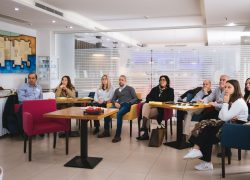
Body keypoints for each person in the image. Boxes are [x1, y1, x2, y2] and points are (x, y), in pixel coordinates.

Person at [183, 80, 248, 171]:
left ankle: (203, 157)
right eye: (225, 87)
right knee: (205, 125)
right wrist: (226, 108)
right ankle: (198, 151)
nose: (226, 89)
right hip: (231, 124)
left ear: (236, 89)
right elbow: (221, 116)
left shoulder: (239, 102)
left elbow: (224, 117)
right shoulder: (232, 99)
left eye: (229, 87)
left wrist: (225, 103)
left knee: (208, 131)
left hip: (238, 129)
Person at [98, 75, 138, 143]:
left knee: (119, 114)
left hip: (126, 105)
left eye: (122, 80)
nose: (120, 81)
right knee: (107, 111)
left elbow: (136, 98)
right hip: (118, 105)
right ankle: (106, 131)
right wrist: (115, 103)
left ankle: (117, 135)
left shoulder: (130, 88)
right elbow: (113, 99)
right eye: (119, 80)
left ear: (125, 81)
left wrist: (129, 102)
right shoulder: (117, 90)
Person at [137, 75, 174, 140]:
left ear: (167, 82)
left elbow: (170, 100)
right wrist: (158, 100)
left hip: (161, 109)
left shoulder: (170, 90)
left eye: (164, 80)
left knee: (146, 111)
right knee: (146, 105)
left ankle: (144, 130)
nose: (162, 81)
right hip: (152, 107)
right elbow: (148, 98)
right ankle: (144, 129)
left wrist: (156, 101)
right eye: (161, 80)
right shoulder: (155, 89)